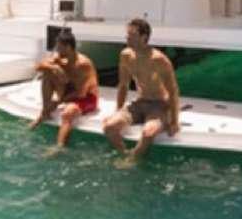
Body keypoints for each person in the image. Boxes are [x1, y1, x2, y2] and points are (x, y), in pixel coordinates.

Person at [101, 17, 180, 165]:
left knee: (148, 133)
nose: (127, 38)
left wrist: (174, 121)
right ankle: (124, 154)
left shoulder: (159, 60)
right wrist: (118, 110)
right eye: (127, 34)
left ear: (144, 37)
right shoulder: (125, 56)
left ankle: (132, 160)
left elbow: (173, 91)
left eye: (132, 35)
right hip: (140, 103)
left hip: (159, 105)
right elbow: (123, 85)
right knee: (109, 127)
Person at [26, 28, 99, 148]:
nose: (56, 50)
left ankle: (59, 146)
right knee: (47, 73)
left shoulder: (83, 65)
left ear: (68, 47)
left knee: (67, 114)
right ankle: (45, 112)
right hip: (69, 91)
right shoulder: (60, 58)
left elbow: (80, 93)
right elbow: (37, 67)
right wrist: (54, 68)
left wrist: (58, 101)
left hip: (87, 97)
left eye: (59, 47)